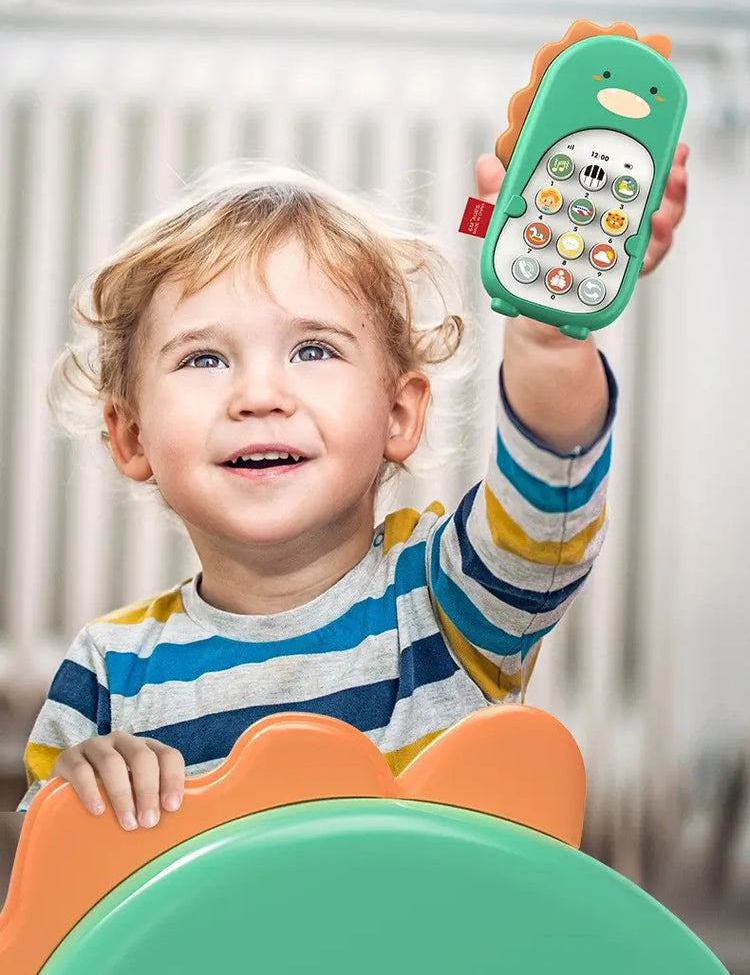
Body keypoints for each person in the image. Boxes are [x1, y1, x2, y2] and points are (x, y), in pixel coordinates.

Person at [19, 146, 688, 830]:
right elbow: (56, 909)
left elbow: (546, 494)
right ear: (131, 437)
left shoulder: (445, 601)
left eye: (313, 350)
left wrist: (549, 342)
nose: (259, 394)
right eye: (205, 357)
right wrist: (78, 801)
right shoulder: (107, 671)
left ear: (397, 415)